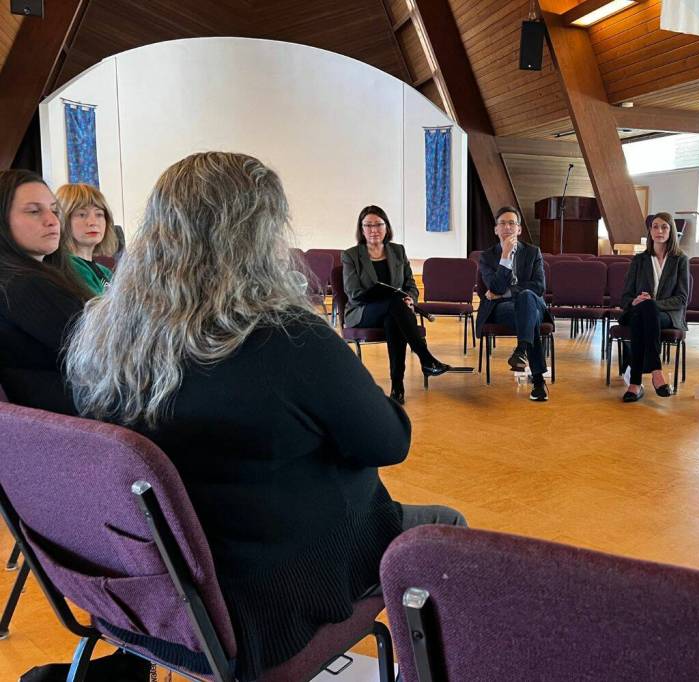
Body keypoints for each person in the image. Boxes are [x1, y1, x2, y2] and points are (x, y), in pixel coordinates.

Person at [65, 152, 465, 682]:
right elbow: (389, 441)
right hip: (270, 605)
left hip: (164, 598)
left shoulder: (104, 336)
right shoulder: (287, 337)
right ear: (259, 236)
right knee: (445, 528)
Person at [0, 170, 91, 414]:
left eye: (54, 210)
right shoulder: (22, 285)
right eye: (34, 211)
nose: (52, 221)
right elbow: (103, 354)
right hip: (78, 418)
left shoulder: (37, 276)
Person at [341, 205, 451, 404]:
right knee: (394, 302)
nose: (374, 230)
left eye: (378, 224)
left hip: (394, 312)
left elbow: (411, 285)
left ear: (386, 227)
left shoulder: (398, 251)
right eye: (368, 225)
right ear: (361, 229)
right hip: (363, 312)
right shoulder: (350, 255)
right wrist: (387, 297)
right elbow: (353, 294)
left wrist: (410, 298)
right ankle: (426, 358)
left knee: (394, 317)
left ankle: (397, 388)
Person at [476, 206, 552, 401]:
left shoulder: (533, 252)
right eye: (502, 223)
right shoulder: (487, 256)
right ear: (496, 229)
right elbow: (495, 287)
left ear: (519, 229)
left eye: (512, 223)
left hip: (531, 302)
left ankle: (522, 349)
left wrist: (507, 292)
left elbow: (539, 287)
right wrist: (505, 258)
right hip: (504, 309)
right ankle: (537, 381)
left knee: (527, 298)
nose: (507, 227)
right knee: (530, 318)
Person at [618, 212, 689, 402]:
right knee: (642, 314)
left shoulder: (680, 259)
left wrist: (652, 303)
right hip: (638, 311)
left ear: (671, 231)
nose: (659, 231)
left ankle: (635, 384)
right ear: (650, 231)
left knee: (644, 314)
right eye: (655, 227)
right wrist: (634, 301)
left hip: (667, 315)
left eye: (664, 227)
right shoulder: (639, 260)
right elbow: (625, 297)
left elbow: (682, 299)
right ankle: (656, 371)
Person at [55, 183, 116, 295]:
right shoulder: (68, 266)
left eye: (99, 214)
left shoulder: (105, 271)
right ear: (63, 220)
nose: (93, 222)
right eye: (82, 214)